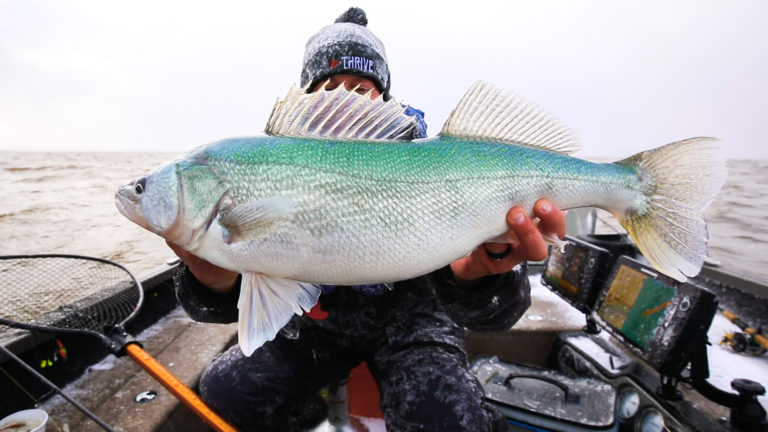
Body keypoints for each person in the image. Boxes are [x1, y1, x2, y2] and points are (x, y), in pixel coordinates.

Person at [168, 7, 567, 431]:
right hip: (316, 324)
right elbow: (223, 299)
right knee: (223, 392)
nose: (345, 100)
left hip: (415, 323)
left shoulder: (446, 166)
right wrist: (214, 279)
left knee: (444, 419)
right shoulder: (266, 165)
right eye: (329, 88)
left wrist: (477, 277)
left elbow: (496, 314)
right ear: (306, 100)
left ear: (384, 97)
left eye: (361, 88)